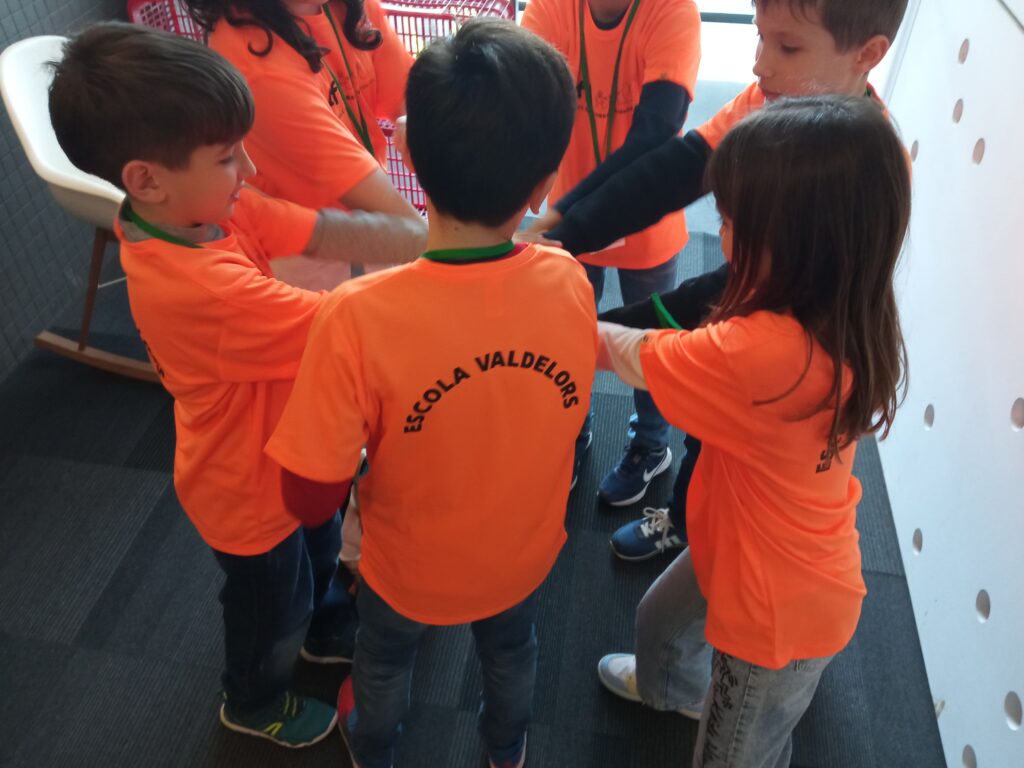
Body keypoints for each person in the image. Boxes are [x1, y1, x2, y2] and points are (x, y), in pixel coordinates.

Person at [48, 22, 423, 748]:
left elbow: (322, 231)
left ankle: (322, 628)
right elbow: (349, 327)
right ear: (146, 179)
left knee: (318, 555)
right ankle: (252, 699)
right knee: (270, 609)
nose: (249, 170)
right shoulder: (202, 291)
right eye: (227, 157)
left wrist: (437, 241)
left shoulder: (205, 209)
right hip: (248, 493)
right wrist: (458, 276)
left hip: (295, 455)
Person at [265, 19, 597, 768]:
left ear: (409, 155)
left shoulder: (357, 315)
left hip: (405, 568)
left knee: (383, 663)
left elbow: (308, 499)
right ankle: (505, 749)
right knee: (512, 653)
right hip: (521, 555)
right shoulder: (569, 280)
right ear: (545, 184)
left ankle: (374, 749)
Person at [595, 94, 911, 767]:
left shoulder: (763, 353)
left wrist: (544, 304)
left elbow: (629, 352)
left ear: (794, 243)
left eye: (732, 222)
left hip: (773, 611)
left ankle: (695, 704)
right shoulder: (849, 306)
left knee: (735, 748)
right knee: (659, 623)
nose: (722, 238)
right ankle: (671, 690)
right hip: (751, 541)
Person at [544, 0, 911, 562]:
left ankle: (692, 526)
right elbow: (677, 170)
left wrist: (582, 328)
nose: (760, 65)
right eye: (759, 37)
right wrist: (566, 231)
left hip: (776, 370)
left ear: (868, 54)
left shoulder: (861, 174)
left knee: (727, 467)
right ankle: (692, 520)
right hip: (753, 329)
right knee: (709, 444)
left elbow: (718, 304)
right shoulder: (770, 100)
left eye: (787, 46)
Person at [521, 0, 701, 504]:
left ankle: (651, 445)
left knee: (652, 343)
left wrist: (567, 215)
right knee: (567, 336)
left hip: (641, 221)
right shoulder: (550, 9)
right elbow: (521, 101)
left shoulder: (672, 12)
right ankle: (573, 431)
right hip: (569, 225)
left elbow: (655, 134)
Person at [187, 0, 422, 286]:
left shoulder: (342, 7)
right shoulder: (256, 61)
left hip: (371, 210)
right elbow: (355, 183)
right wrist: (452, 251)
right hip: (307, 245)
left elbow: (409, 94)